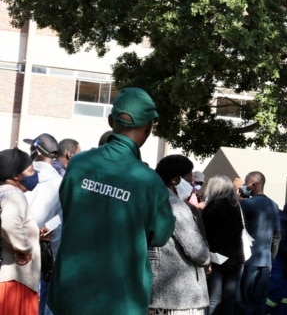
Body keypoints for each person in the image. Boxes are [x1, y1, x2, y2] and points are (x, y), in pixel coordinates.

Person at [47, 87, 176, 315]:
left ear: (110, 121)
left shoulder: (78, 164)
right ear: (149, 128)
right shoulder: (149, 182)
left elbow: (68, 205)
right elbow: (160, 235)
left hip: (70, 293)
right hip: (120, 299)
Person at [149, 154, 210, 315]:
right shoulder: (175, 205)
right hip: (179, 297)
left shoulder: (147, 198)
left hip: (153, 290)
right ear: (176, 180)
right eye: (190, 181)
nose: (192, 186)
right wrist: (207, 259)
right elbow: (197, 250)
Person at [22, 133, 64, 315]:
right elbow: (60, 220)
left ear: (36, 151)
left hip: (12, 248)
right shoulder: (61, 183)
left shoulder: (18, 176)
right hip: (42, 253)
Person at [0, 148, 42, 315]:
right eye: (30, 170)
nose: (34, 174)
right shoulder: (14, 195)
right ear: (16, 176)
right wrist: (24, 248)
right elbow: (9, 223)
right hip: (15, 278)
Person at [237, 171, 281, 315]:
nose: (244, 186)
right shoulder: (274, 205)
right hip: (265, 260)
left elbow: (238, 230)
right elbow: (277, 235)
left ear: (253, 185)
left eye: (246, 183)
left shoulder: (246, 205)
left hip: (248, 260)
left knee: (245, 300)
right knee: (260, 300)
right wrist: (271, 257)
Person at [201, 175, 246, 315]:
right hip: (236, 258)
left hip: (217, 259)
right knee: (229, 300)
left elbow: (205, 235)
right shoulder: (236, 207)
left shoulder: (211, 209)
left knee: (214, 300)